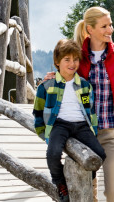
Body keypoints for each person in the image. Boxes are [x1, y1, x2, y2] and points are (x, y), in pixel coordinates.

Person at [72, 7, 114, 202]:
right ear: (90, 29)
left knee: (113, 192)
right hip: (84, 133)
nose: (110, 29)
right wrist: (54, 77)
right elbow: (66, 83)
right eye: (104, 26)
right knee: (86, 191)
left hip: (113, 133)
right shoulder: (77, 54)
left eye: (110, 24)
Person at [33, 39, 106, 202]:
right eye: (67, 60)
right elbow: (38, 111)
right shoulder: (47, 86)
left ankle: (82, 177)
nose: (72, 64)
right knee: (53, 154)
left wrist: (92, 130)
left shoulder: (84, 86)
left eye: (75, 59)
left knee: (100, 154)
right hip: (60, 125)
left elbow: (90, 109)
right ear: (57, 62)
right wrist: (43, 132)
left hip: (82, 125)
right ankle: (61, 183)